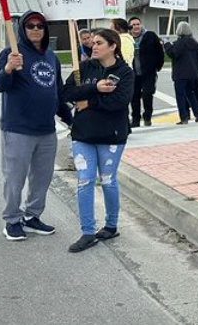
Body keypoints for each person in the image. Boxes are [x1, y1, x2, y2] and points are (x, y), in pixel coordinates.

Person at [0, 10, 72, 241]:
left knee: (42, 178)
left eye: (40, 26)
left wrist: (70, 120)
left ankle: (32, 216)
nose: (36, 29)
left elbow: (56, 93)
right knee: (14, 177)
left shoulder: (51, 57)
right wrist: (8, 68)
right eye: (30, 26)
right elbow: (0, 85)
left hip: (46, 130)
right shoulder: (11, 53)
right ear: (22, 29)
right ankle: (12, 220)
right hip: (18, 128)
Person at [62, 28, 134, 253]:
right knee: (84, 181)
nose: (93, 46)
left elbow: (120, 102)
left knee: (108, 181)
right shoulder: (83, 68)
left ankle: (111, 226)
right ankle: (87, 232)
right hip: (83, 135)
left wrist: (89, 103)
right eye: (92, 43)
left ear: (113, 46)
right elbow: (66, 93)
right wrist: (95, 88)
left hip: (111, 136)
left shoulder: (124, 72)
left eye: (99, 43)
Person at [164, 21, 198, 124]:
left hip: (180, 73)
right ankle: (197, 114)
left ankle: (184, 117)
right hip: (192, 73)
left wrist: (166, 44)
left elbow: (173, 54)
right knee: (190, 93)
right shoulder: (194, 42)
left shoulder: (179, 43)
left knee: (180, 96)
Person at [128, 17, 165, 127]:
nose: (136, 26)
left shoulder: (150, 36)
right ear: (130, 27)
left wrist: (157, 66)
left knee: (148, 94)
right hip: (133, 73)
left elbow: (159, 52)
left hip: (148, 72)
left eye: (138, 24)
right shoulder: (127, 39)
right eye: (133, 25)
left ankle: (147, 117)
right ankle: (135, 119)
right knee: (134, 97)